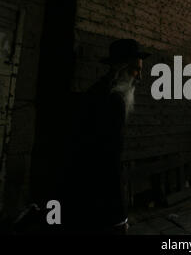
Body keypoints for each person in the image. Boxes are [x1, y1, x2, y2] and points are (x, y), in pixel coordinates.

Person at [61, 39, 150, 234]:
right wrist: (119, 217)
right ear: (121, 69)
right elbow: (108, 161)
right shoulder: (114, 102)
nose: (140, 77)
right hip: (100, 202)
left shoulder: (96, 91)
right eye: (136, 70)